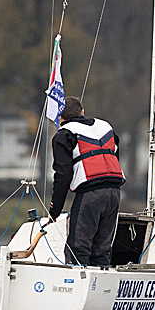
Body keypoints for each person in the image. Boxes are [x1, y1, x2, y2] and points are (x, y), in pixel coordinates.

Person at [49, 97, 125, 267]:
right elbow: (114, 156)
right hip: (114, 192)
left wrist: (55, 210)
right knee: (102, 249)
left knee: (78, 248)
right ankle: (100, 287)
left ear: (59, 117)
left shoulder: (64, 135)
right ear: (82, 112)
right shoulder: (106, 127)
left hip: (91, 194)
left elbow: (62, 174)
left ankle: (78, 287)